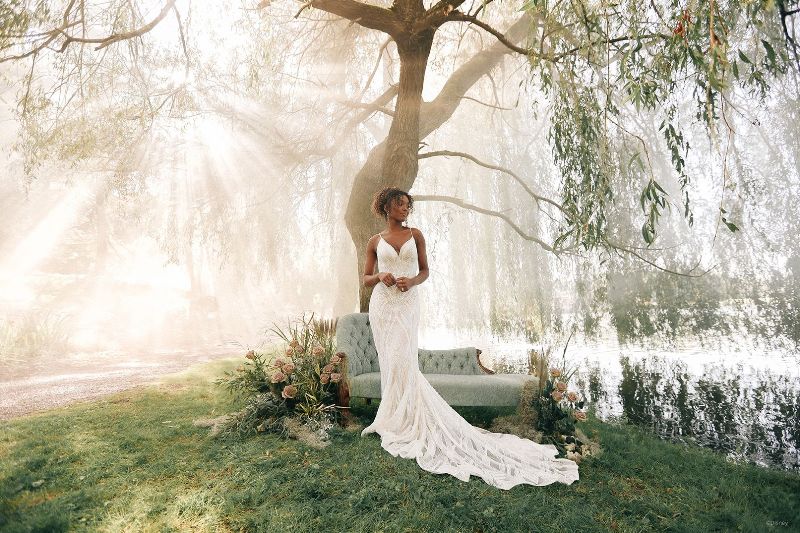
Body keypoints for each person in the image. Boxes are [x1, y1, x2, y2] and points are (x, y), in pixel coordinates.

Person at [359, 186, 580, 490]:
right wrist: (381, 277)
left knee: (403, 358)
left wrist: (411, 280)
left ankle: (405, 417)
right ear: (386, 206)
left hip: (408, 304)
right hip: (383, 307)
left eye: (409, 204)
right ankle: (394, 416)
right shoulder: (374, 242)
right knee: (391, 360)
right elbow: (366, 277)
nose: (406, 208)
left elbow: (425, 271)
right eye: (400, 204)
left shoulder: (416, 235)